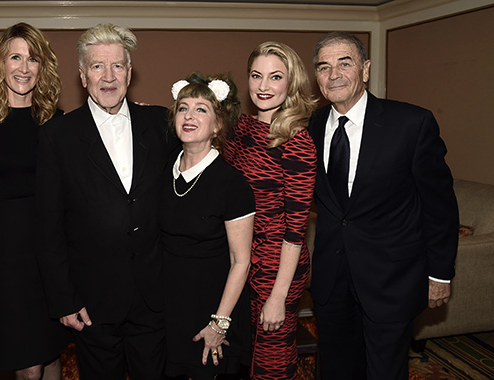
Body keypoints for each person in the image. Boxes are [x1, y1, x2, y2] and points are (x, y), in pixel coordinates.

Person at [308, 32, 459, 380]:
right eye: (324, 66)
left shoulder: (411, 123)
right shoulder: (311, 127)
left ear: (365, 70)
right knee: (335, 367)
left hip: (391, 277)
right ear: (316, 77)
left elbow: (440, 206)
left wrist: (440, 273)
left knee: (385, 371)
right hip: (332, 280)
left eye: (344, 63)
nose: (334, 74)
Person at [35, 23, 176, 380]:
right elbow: (48, 227)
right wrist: (64, 300)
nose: (108, 76)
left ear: (130, 73)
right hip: (91, 303)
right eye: (98, 66)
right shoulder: (57, 136)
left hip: (154, 297)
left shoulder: (162, 123)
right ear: (83, 76)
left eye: (117, 66)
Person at [0, 23, 70, 380]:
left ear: (43, 67)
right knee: (28, 365)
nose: (23, 68)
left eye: (32, 58)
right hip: (6, 250)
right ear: (0, 64)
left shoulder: (56, 120)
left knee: (52, 351)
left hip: (50, 245)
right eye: (15, 57)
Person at [223, 41, 317, 380]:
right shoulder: (243, 128)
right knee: (245, 356)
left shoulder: (296, 141)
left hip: (276, 268)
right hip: (242, 260)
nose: (263, 86)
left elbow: (296, 231)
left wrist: (277, 296)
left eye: (275, 77)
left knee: (271, 365)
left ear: (291, 83)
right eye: (256, 75)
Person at [162, 73, 254, 380]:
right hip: (167, 313)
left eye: (201, 108)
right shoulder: (162, 172)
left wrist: (220, 323)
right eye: (183, 107)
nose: (189, 115)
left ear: (217, 125)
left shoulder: (232, 183)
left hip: (212, 312)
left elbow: (240, 262)